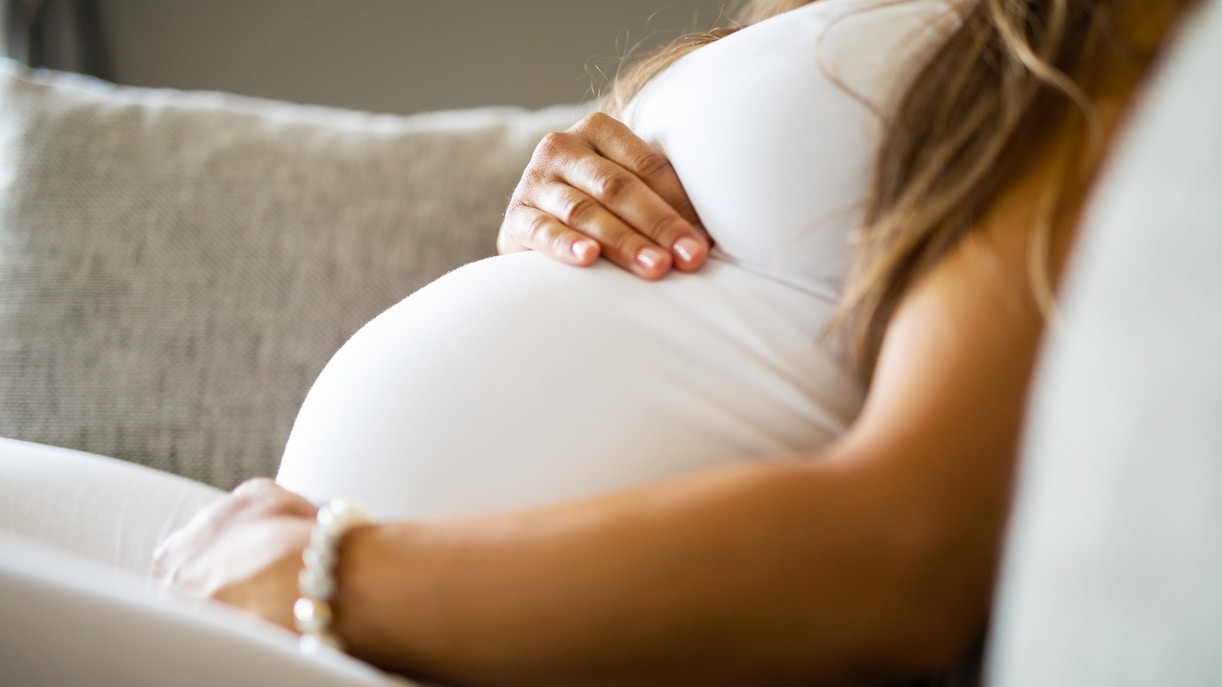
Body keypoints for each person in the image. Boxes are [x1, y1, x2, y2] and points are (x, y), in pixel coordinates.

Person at [12, 0, 1202, 684]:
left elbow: (906, 549)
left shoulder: (1094, 35)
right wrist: (559, 217)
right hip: (313, 598)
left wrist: (329, 579)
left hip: (385, 634)